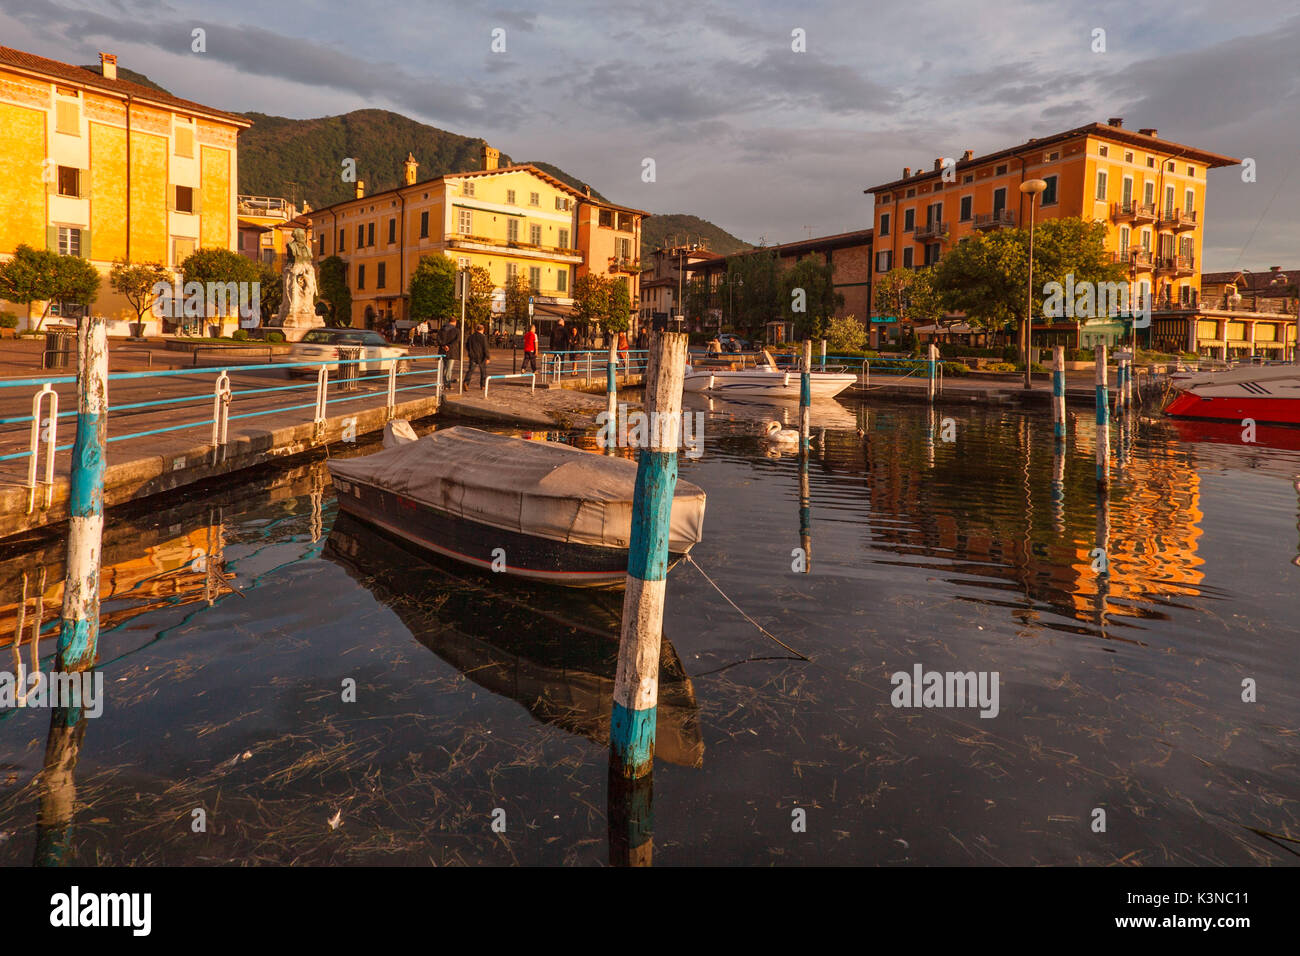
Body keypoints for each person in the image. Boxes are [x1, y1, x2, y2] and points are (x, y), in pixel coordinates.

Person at [464, 323, 491, 389]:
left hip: (472, 356)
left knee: (470, 370)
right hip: (481, 356)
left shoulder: (471, 337)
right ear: (483, 329)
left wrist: (470, 352)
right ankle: (483, 385)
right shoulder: (483, 337)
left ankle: (466, 383)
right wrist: (487, 357)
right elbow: (485, 347)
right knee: (483, 371)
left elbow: (467, 345)